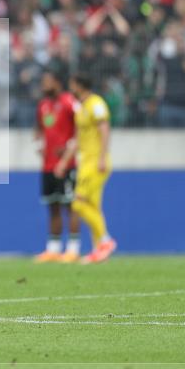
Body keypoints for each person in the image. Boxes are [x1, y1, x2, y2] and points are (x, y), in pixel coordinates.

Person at [55, 73, 117, 264]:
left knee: (78, 203)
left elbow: (105, 129)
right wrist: (64, 161)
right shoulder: (81, 108)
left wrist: (102, 157)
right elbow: (78, 139)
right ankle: (99, 249)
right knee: (93, 207)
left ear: (80, 86)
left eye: (72, 85)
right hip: (85, 162)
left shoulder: (95, 104)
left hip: (95, 163)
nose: (70, 89)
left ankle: (106, 241)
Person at [33, 70, 81, 263]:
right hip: (48, 165)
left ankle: (73, 249)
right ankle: (53, 249)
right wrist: (40, 143)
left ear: (57, 83)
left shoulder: (69, 102)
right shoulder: (43, 105)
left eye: (48, 81)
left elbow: (81, 127)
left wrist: (70, 148)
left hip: (67, 164)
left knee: (71, 206)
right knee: (52, 206)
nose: (44, 85)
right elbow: (40, 129)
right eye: (43, 82)